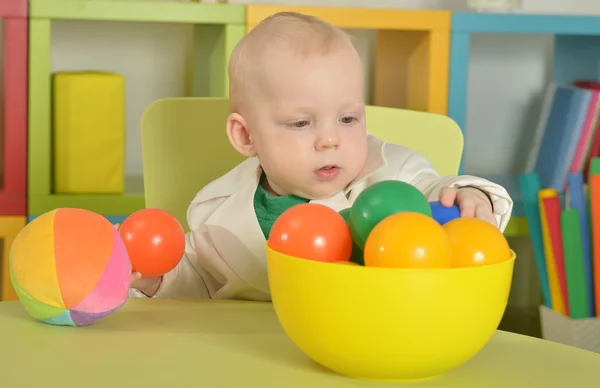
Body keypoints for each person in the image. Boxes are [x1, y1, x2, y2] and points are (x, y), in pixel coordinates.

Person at [128, 11, 513, 300]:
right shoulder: (217, 211)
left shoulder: (396, 173)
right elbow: (199, 279)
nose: (330, 140)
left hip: (368, 340)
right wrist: (156, 278)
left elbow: (434, 194)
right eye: (301, 124)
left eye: (347, 118)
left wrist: (467, 196)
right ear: (246, 136)